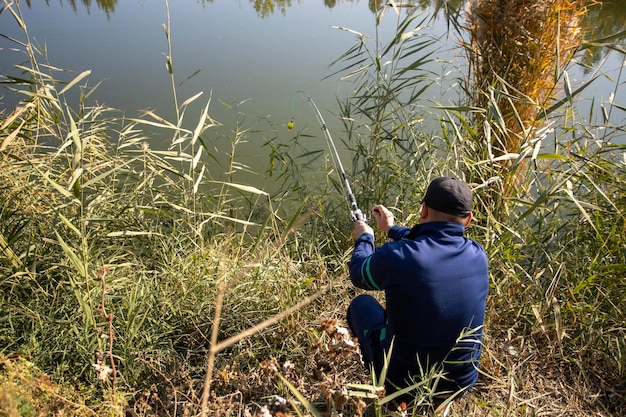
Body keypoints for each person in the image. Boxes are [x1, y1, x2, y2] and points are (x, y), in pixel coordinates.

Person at [347, 177, 489, 407]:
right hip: (460, 384)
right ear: (468, 220)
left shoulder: (399, 256)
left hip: (402, 383)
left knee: (361, 304)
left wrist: (365, 237)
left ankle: (389, 393)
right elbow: (434, 239)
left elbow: (359, 274)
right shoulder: (478, 255)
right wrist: (391, 229)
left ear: (423, 210)